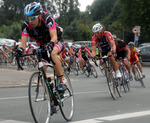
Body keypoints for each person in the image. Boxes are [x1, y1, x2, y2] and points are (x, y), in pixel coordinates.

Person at [16, 2, 66, 91]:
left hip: (56, 40)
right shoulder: (26, 25)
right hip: (43, 45)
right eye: (28, 18)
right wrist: (19, 50)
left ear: (39, 16)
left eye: (32, 18)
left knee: (53, 53)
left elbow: (54, 37)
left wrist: (51, 44)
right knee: (41, 70)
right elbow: (23, 43)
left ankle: (62, 82)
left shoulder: (47, 18)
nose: (30, 21)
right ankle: (51, 95)